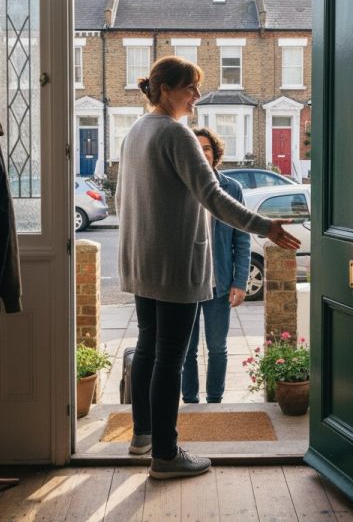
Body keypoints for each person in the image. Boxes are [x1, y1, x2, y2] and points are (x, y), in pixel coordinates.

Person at [116, 55, 300, 480]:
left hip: (145, 261)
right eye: (190, 88)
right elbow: (213, 197)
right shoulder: (176, 134)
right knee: (170, 360)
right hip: (175, 263)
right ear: (166, 90)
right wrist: (265, 227)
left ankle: (142, 435)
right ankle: (165, 455)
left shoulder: (136, 131)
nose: (197, 96)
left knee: (148, 348)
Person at [182, 126, 249, 405]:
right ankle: (190, 401)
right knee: (186, 351)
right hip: (185, 285)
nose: (201, 152)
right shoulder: (180, 187)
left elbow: (241, 239)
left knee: (218, 348)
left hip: (218, 285)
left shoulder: (231, 189)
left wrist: (240, 282)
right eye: (195, 147)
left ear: (215, 154)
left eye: (206, 148)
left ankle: (215, 401)